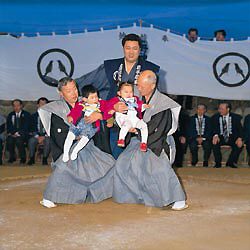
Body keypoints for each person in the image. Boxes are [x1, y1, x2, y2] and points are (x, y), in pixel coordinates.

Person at [76, 33, 160, 158]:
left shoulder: (149, 69)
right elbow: (89, 80)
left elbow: (154, 97)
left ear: (140, 50)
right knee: (113, 156)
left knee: (138, 159)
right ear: (123, 49)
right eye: (128, 48)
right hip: (114, 120)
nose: (131, 52)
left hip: (139, 119)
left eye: (135, 48)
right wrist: (71, 87)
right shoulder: (111, 67)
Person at [113, 70, 188, 210]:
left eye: (141, 86)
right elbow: (121, 113)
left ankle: (178, 198)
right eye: (138, 85)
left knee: (157, 168)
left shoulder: (163, 104)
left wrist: (136, 131)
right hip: (139, 140)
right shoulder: (136, 98)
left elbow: (158, 129)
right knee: (123, 163)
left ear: (152, 86)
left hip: (158, 141)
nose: (138, 88)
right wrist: (117, 111)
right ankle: (136, 196)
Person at [38, 77, 115, 208]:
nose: (74, 93)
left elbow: (110, 118)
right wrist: (76, 137)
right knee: (63, 168)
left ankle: (102, 192)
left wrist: (100, 116)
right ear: (61, 94)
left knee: (110, 164)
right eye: (68, 91)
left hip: (90, 145)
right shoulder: (57, 109)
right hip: (69, 148)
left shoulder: (88, 101)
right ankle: (50, 196)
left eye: (74, 89)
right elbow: (59, 135)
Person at [62, 85, 109, 162]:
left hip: (91, 127)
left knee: (84, 139)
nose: (95, 99)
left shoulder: (101, 104)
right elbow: (74, 111)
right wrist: (70, 116)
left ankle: (75, 151)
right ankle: (66, 153)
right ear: (84, 99)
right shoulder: (81, 104)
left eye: (96, 96)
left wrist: (102, 116)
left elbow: (108, 111)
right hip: (78, 124)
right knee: (70, 136)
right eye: (92, 97)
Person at [106, 82, 149, 151]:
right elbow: (107, 106)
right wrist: (113, 109)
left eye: (131, 91)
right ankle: (121, 139)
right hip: (124, 119)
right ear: (119, 93)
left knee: (144, 126)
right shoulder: (117, 100)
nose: (129, 94)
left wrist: (144, 106)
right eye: (126, 92)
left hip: (135, 119)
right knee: (126, 125)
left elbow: (139, 105)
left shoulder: (135, 99)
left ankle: (144, 143)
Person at [211, 102, 243, 168]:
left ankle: (230, 162)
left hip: (232, 137)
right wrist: (215, 135)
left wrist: (240, 138)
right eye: (219, 109)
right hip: (220, 137)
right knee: (214, 143)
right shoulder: (215, 117)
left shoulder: (236, 118)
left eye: (222, 109)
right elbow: (212, 128)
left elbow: (240, 130)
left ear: (228, 109)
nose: (220, 110)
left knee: (239, 145)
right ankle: (218, 163)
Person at [6, 99, 31, 164]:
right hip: (13, 134)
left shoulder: (26, 114)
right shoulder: (11, 115)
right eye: (14, 106)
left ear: (21, 106)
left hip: (23, 134)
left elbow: (27, 126)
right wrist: (12, 133)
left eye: (18, 105)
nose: (16, 107)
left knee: (19, 140)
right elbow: (9, 126)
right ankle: (12, 156)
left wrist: (18, 133)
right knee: (9, 140)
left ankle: (23, 158)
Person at [28, 97, 50, 165]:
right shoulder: (32, 116)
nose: (43, 105)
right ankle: (31, 158)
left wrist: (44, 136)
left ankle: (44, 158)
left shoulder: (50, 116)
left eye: (44, 104)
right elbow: (30, 128)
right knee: (31, 141)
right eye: (41, 104)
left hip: (47, 135)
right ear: (38, 105)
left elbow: (52, 127)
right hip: (36, 135)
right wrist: (37, 136)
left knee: (48, 141)